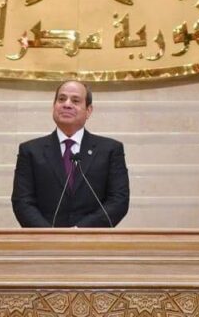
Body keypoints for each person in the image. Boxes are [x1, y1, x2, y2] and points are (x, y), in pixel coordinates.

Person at [11, 80, 129, 228]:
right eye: (61, 99)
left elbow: (118, 201)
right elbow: (22, 202)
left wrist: (80, 231)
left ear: (88, 110)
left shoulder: (110, 150)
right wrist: (49, 235)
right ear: (54, 106)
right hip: (44, 239)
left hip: (92, 239)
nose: (67, 104)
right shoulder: (30, 151)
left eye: (75, 100)